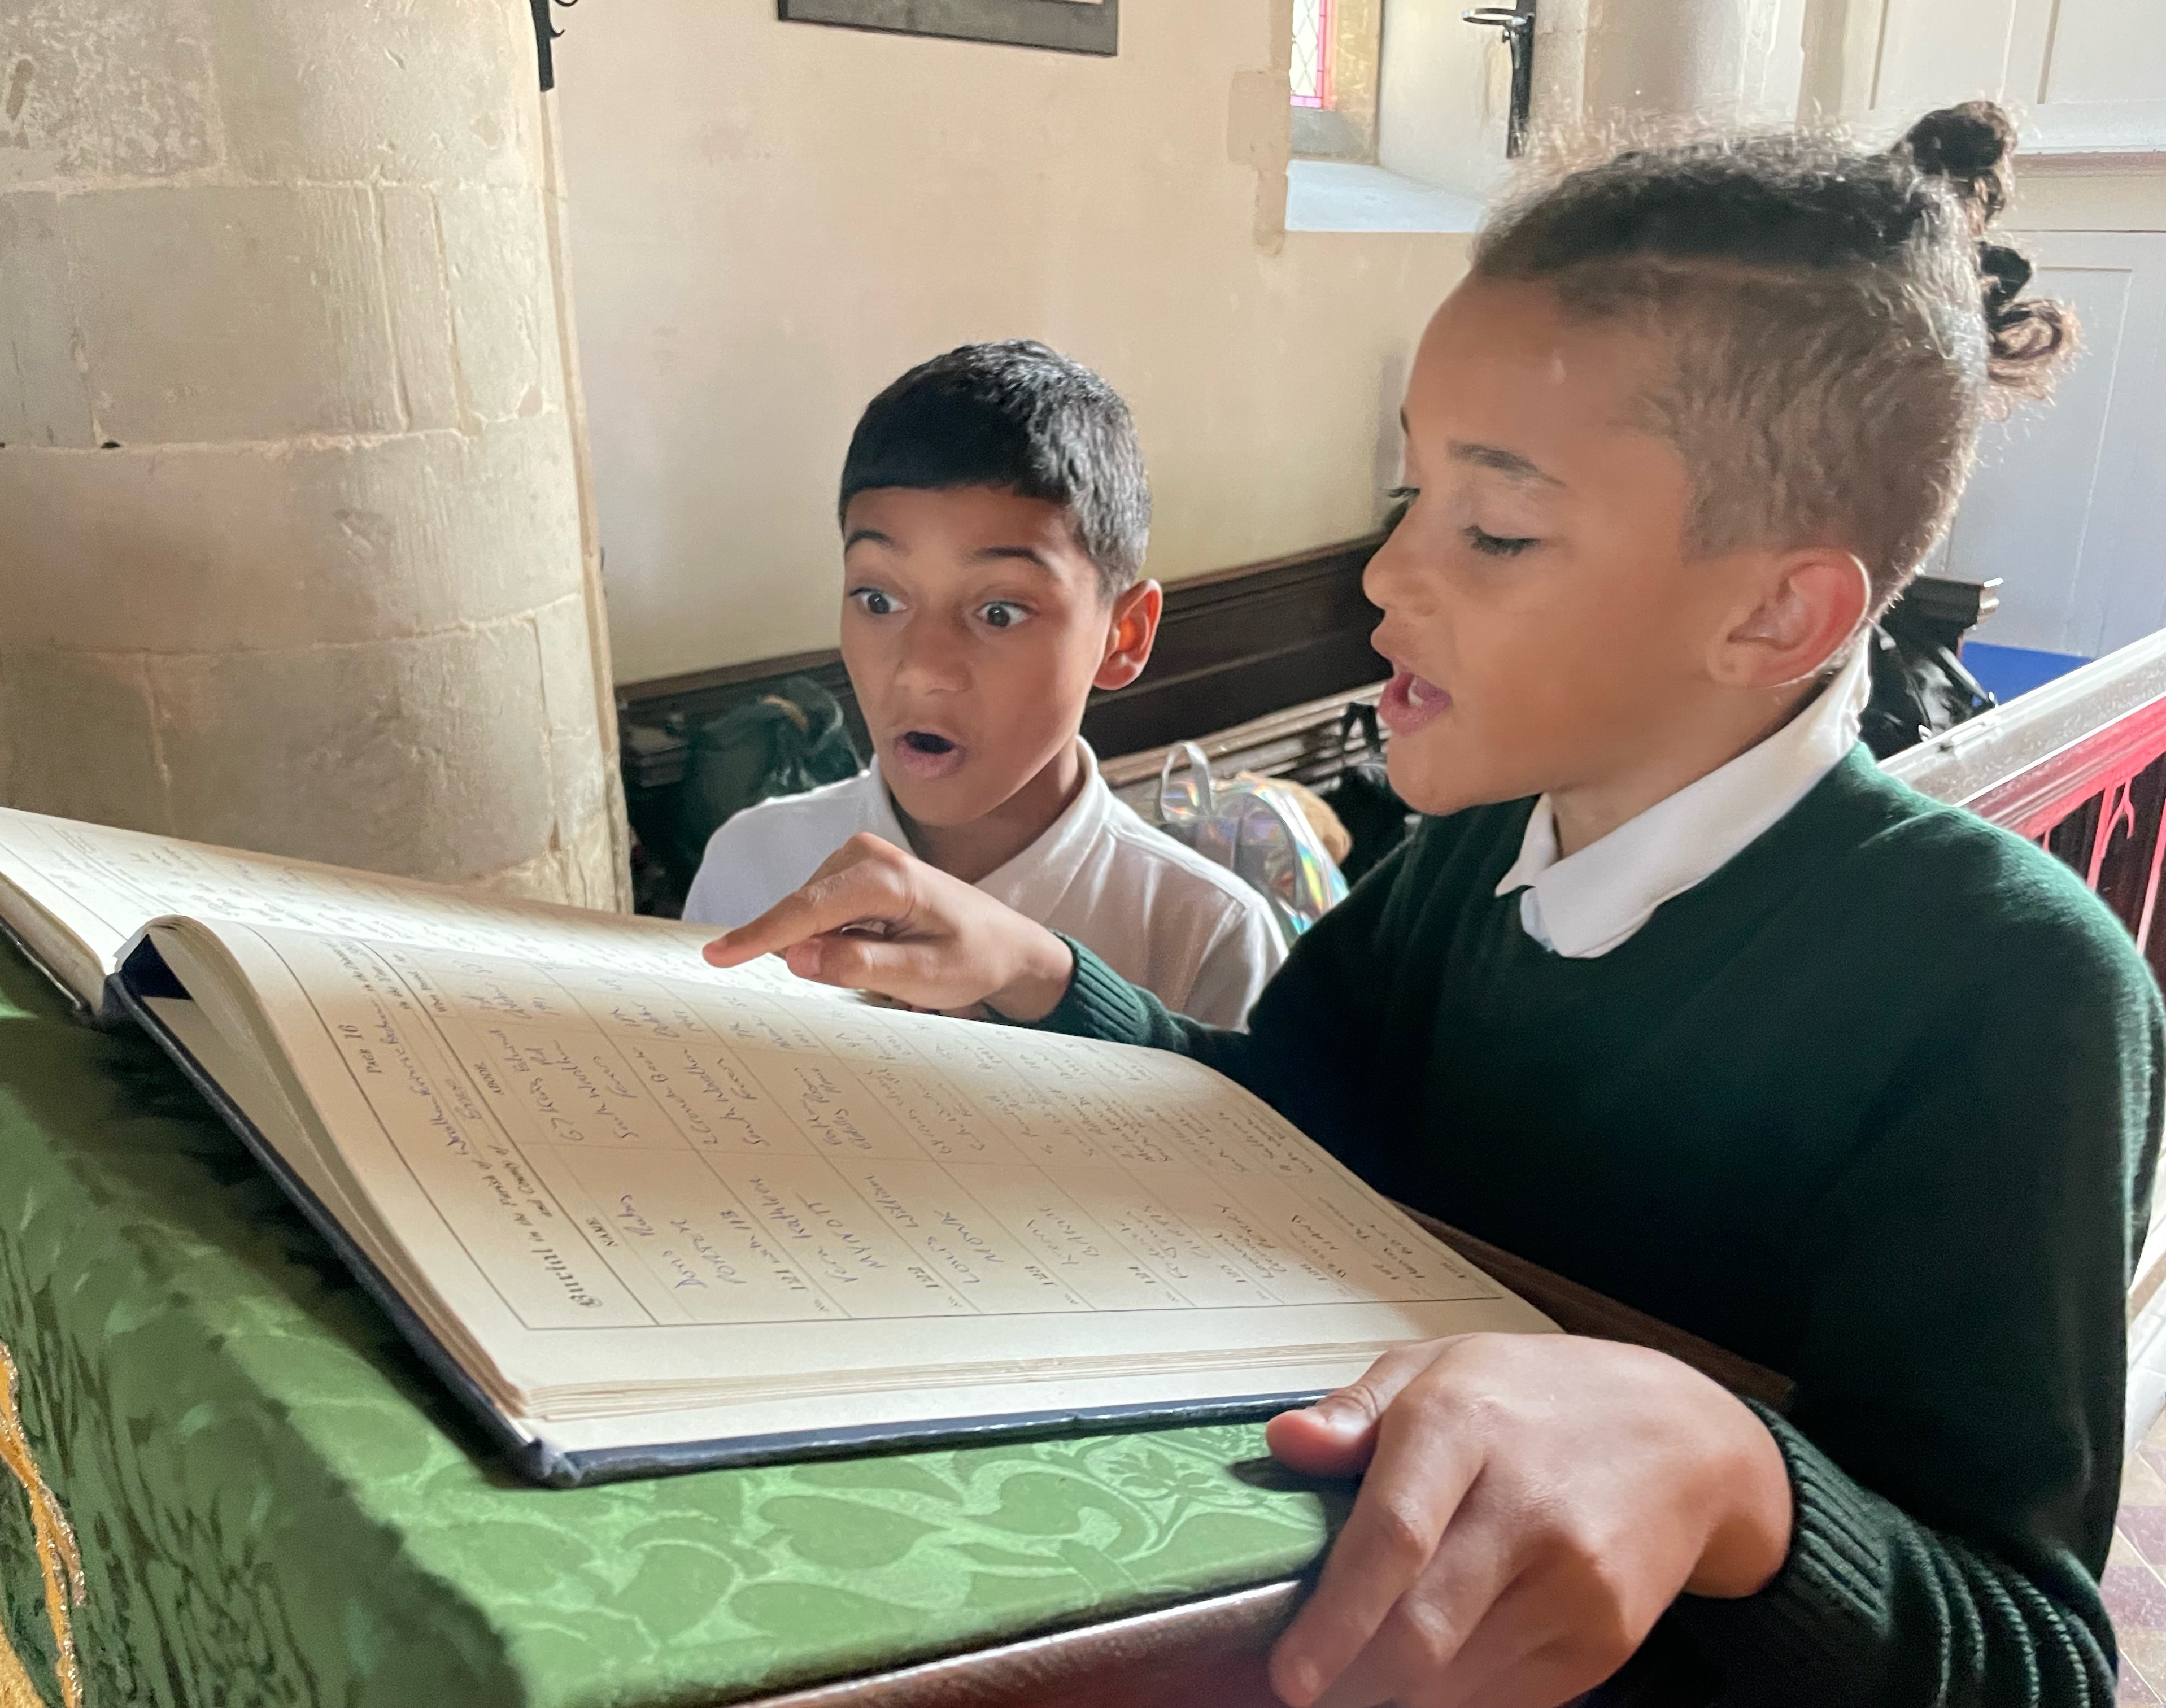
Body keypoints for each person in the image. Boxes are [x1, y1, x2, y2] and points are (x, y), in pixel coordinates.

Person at [704, 106, 2165, 1706]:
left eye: (1496, 527)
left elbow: (2031, 1652)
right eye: (1410, 497)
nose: (1387, 578)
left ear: (1773, 611)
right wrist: (1049, 978)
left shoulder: (2005, 987)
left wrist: (1736, 1477)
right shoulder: (1477, 858)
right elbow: (1281, 1128)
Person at [682, 341, 1285, 1029]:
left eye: (999, 612)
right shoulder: (752, 864)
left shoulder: (1202, 935)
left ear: (1124, 637)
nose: (921, 668)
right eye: (879, 599)